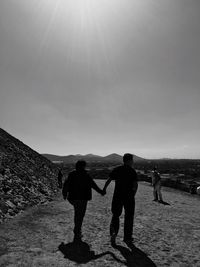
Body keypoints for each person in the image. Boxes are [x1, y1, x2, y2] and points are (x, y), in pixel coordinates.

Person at [62, 160, 105, 241]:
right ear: (84, 166)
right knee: (80, 215)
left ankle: (77, 230)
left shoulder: (72, 174)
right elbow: (93, 185)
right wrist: (101, 192)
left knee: (77, 213)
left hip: (73, 198)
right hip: (82, 198)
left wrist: (64, 194)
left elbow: (66, 184)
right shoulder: (86, 175)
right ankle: (77, 231)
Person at [102, 153, 138, 245]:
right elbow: (135, 185)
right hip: (129, 197)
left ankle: (114, 233)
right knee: (129, 217)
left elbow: (109, 179)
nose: (133, 162)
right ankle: (127, 238)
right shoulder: (132, 171)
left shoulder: (117, 169)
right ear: (129, 161)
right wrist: (133, 194)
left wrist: (104, 189)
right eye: (132, 160)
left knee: (116, 215)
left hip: (117, 196)